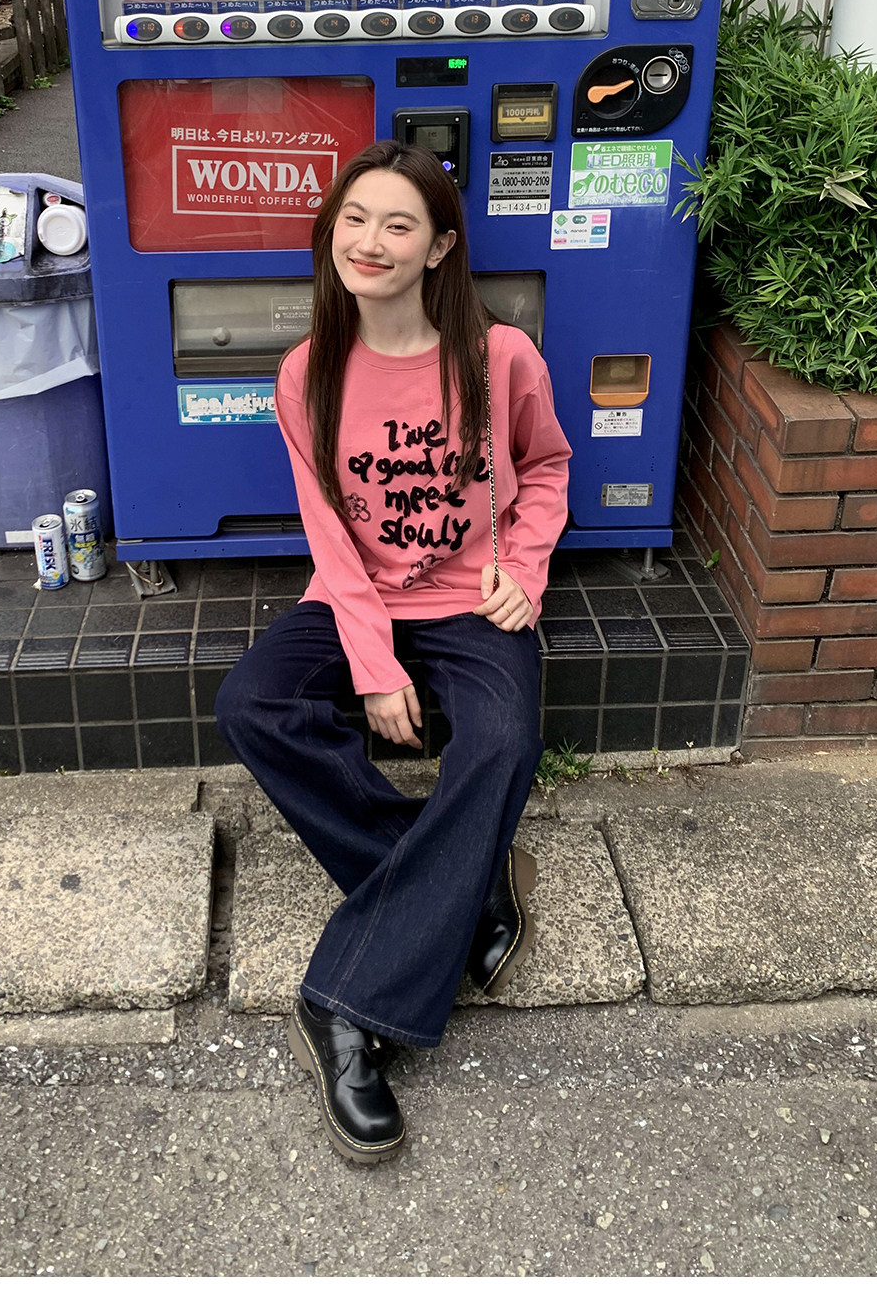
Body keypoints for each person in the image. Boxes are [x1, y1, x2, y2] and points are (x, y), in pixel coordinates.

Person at [215, 139, 571, 1165]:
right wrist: (373, 666)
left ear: (440, 247)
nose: (369, 242)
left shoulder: (500, 358)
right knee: (252, 704)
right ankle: (467, 882)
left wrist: (526, 568)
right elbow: (329, 535)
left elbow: (549, 466)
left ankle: (342, 1005)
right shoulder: (309, 373)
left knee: (501, 741)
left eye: (398, 224)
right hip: (357, 597)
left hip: (471, 600)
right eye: (354, 220)